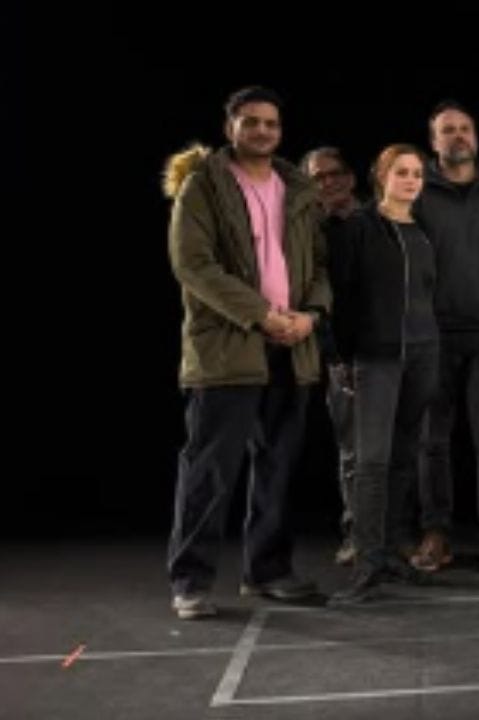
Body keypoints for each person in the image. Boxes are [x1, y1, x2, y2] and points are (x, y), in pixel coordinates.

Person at [162, 86, 330, 619]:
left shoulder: (297, 186)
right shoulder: (204, 185)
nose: (262, 131)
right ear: (230, 126)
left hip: (291, 347)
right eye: (250, 121)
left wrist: (311, 315)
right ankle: (190, 582)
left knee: (277, 467)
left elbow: (319, 264)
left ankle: (268, 571)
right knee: (210, 470)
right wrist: (261, 314)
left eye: (271, 123)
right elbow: (193, 265)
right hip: (228, 347)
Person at [411, 100, 479, 579]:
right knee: (432, 440)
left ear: (475, 137)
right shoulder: (418, 191)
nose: (457, 136)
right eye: (447, 130)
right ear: (433, 141)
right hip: (432, 332)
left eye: (465, 128)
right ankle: (435, 533)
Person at [329, 144, 437, 604]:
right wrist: (341, 357)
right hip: (376, 358)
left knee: (403, 457)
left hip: (422, 355)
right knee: (371, 461)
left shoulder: (423, 231)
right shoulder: (359, 228)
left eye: (417, 174)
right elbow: (342, 296)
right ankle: (367, 562)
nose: (411, 181)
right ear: (381, 176)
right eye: (401, 172)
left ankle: (391, 552)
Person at [300, 146, 361, 566]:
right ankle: (357, 535)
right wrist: (335, 357)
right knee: (353, 451)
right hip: (339, 352)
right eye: (317, 178)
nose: (328, 183)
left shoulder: (377, 221)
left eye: (334, 174)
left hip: (388, 351)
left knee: (400, 450)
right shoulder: (305, 233)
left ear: (351, 178)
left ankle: (395, 535)